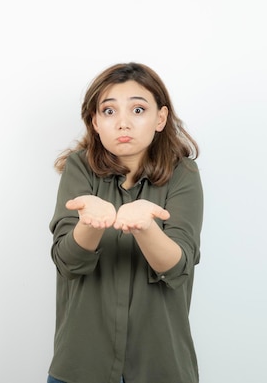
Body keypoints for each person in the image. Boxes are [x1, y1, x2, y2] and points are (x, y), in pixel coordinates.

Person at [46, 62, 204, 383]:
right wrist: (91, 222)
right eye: (109, 111)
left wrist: (145, 227)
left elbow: (177, 269)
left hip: (161, 367)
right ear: (95, 122)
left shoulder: (183, 175)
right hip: (81, 365)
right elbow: (67, 262)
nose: (122, 123)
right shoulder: (80, 168)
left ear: (160, 118)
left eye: (138, 110)